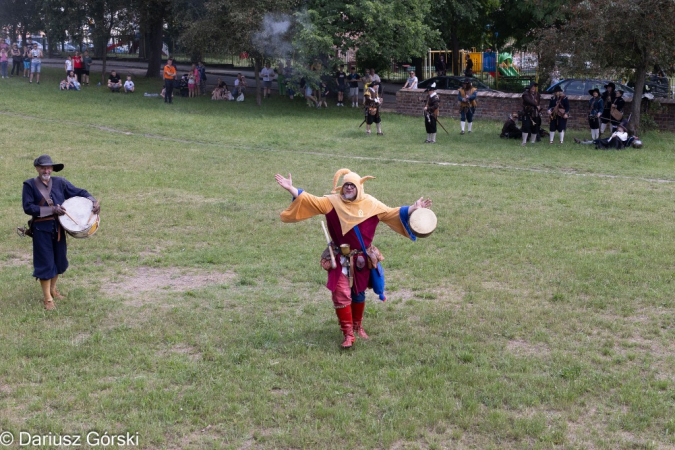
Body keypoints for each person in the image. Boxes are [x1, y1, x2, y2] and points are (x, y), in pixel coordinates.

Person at [274, 169, 432, 348]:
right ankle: (348, 333)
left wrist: (413, 208)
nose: (348, 188)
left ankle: (357, 326)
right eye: (346, 185)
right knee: (340, 294)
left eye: (352, 185)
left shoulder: (372, 204)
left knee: (358, 293)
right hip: (340, 259)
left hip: (361, 260)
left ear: (358, 188)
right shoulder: (331, 202)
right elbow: (310, 200)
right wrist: (291, 189)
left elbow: (392, 213)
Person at [22, 155, 100, 310]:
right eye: (43, 167)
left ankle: (53, 289)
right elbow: (28, 207)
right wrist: (52, 209)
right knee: (45, 263)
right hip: (41, 230)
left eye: (49, 167)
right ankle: (48, 299)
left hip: (59, 229)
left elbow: (80, 192)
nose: (46, 170)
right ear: (37, 168)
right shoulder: (29, 185)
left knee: (59, 261)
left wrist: (92, 201)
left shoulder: (60, 182)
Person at [521, 82, 542, 146]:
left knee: (535, 128)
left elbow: (538, 102)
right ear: (529, 88)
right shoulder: (525, 94)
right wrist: (536, 105)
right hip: (527, 113)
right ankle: (524, 141)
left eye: (534, 87)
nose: (533, 88)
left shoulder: (537, 94)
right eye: (532, 87)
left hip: (535, 113)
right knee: (526, 127)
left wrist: (538, 107)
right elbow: (529, 101)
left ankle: (533, 141)